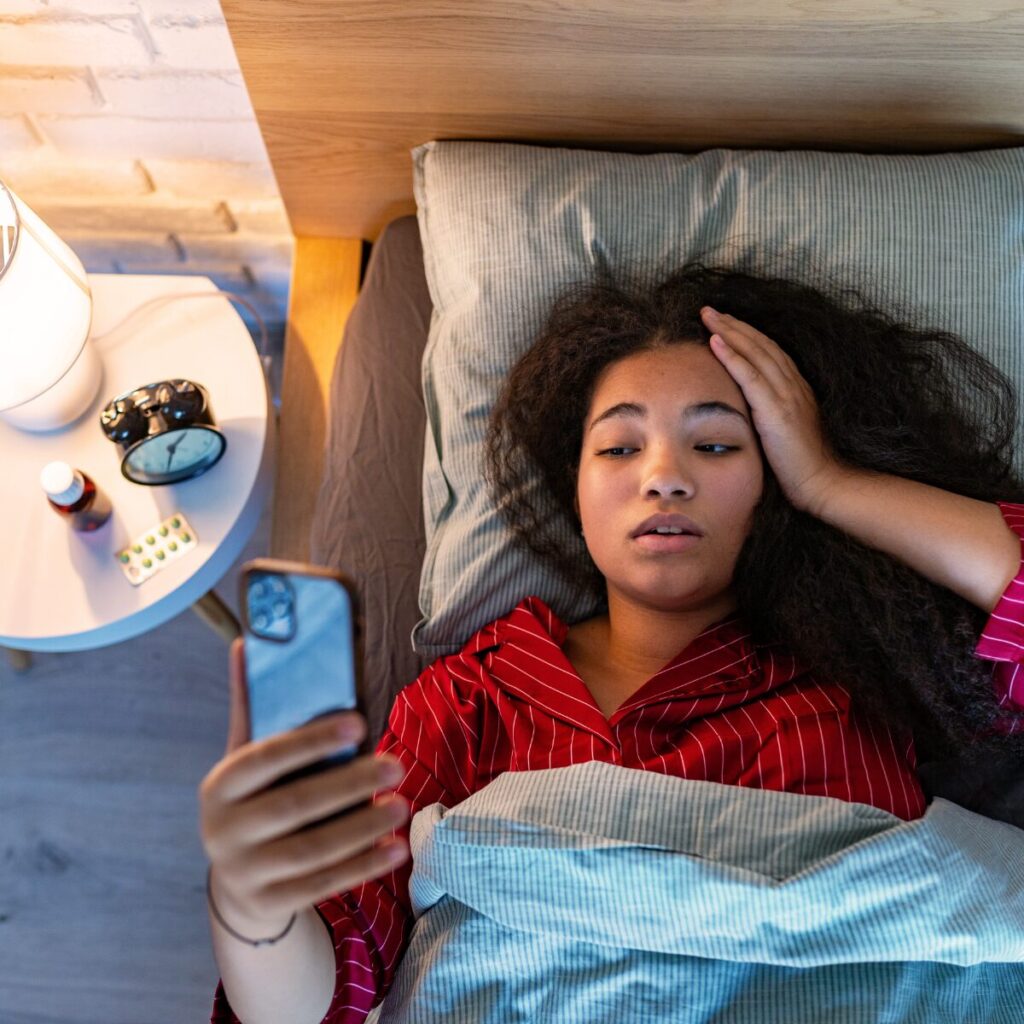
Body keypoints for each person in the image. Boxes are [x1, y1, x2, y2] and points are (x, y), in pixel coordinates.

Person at [199, 259, 1024, 1024]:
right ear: (577, 487)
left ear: (772, 484)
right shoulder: (470, 697)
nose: (663, 474)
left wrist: (833, 482)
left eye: (717, 444)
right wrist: (252, 904)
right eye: (620, 447)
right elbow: (326, 994)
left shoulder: (865, 671)